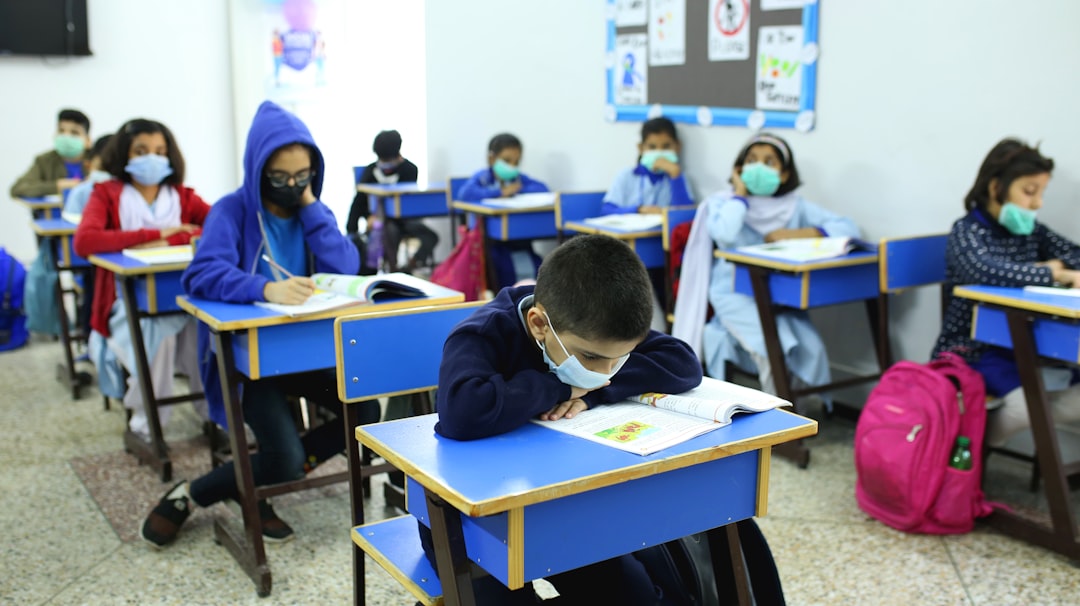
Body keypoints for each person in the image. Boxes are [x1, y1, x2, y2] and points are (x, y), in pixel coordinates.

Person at [139, 101, 378, 548]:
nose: (292, 185)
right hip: (250, 361)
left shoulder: (312, 211)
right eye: (281, 178)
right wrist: (264, 289)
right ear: (257, 171)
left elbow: (346, 264)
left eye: (303, 176)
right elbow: (202, 273)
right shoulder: (232, 211)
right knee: (284, 457)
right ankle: (197, 493)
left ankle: (260, 479)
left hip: (308, 350)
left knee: (365, 411)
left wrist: (310, 204)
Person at [429, 234, 703, 603]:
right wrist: (557, 387)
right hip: (467, 522)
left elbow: (683, 361)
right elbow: (461, 412)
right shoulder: (483, 333)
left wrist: (596, 392)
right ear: (539, 324)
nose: (606, 371)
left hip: (560, 506)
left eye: (620, 358)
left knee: (636, 597)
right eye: (590, 358)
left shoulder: (598, 323)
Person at [933, 138, 1080, 446]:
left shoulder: (1030, 231)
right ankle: (966, 444)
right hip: (973, 351)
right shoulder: (967, 232)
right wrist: (1053, 272)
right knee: (1027, 407)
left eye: (1041, 193)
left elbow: (1074, 254)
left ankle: (971, 437)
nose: (1037, 203)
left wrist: (1059, 267)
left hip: (1028, 345)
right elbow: (986, 272)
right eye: (1029, 192)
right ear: (996, 186)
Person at [73, 118, 209, 439]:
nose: (153, 158)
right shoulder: (106, 194)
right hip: (126, 301)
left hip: (184, 295)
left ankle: (215, 415)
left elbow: (218, 227)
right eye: (142, 151)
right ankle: (148, 423)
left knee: (206, 335)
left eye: (160, 151)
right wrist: (159, 234)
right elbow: (86, 241)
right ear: (124, 155)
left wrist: (165, 242)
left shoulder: (181, 196)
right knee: (153, 333)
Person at [702, 133, 860, 396]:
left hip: (777, 294)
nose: (759, 168)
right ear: (739, 169)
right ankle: (776, 415)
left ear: (785, 174)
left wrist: (795, 234)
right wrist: (739, 196)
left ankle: (799, 409)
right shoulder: (723, 202)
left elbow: (848, 227)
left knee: (809, 346)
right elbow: (724, 233)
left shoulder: (794, 205)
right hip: (732, 293)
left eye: (769, 162)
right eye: (751, 161)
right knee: (769, 345)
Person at [457, 133, 549, 289]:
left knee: (538, 265)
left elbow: (543, 189)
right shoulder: (483, 178)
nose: (512, 166)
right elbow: (465, 194)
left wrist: (518, 190)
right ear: (492, 159)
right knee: (505, 268)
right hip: (492, 244)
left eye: (516, 162)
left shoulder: (518, 179)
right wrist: (499, 192)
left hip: (519, 241)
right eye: (507, 161)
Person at [346, 130, 438, 272]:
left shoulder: (409, 169)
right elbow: (359, 201)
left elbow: (407, 201)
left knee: (431, 237)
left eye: (388, 160)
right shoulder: (370, 171)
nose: (385, 164)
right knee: (389, 232)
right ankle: (393, 271)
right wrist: (352, 230)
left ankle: (410, 265)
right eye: (382, 160)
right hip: (380, 223)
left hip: (406, 220)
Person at [602, 116, 693, 215]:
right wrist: (639, 210)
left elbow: (685, 216)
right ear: (641, 148)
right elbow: (606, 211)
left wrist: (676, 176)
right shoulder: (627, 175)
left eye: (666, 146)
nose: (659, 153)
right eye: (652, 147)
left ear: (677, 146)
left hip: (663, 230)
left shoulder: (679, 177)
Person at [10, 108, 91, 199]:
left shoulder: (98, 160)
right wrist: (57, 186)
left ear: (88, 141)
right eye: (61, 131)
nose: (66, 136)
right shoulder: (44, 161)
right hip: (53, 212)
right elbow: (18, 188)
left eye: (74, 133)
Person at [64, 134, 114, 215]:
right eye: (102, 168)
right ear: (88, 165)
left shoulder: (129, 191)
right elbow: (70, 225)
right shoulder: (81, 192)